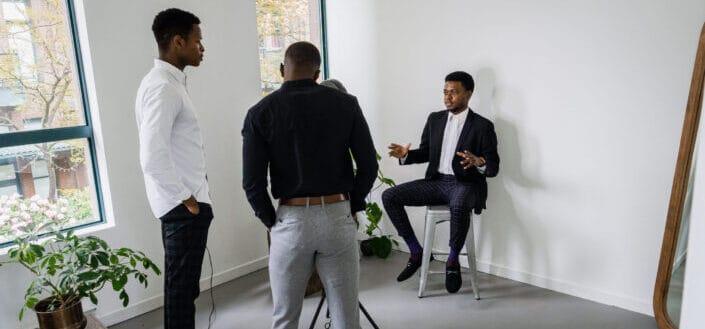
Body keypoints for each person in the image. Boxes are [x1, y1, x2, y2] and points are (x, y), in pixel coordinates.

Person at [242, 41, 377, 329]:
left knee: (285, 318)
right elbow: (368, 166)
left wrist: (272, 221)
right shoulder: (346, 104)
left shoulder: (260, 112)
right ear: (318, 74)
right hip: (337, 214)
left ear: (282, 69)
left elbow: (252, 182)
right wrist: (352, 205)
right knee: (346, 318)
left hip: (290, 219)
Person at [383, 71, 499, 293]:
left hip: (465, 184)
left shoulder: (482, 125)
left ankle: (453, 261)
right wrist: (405, 155)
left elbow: (493, 166)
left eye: (453, 92)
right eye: (445, 92)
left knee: (459, 204)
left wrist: (478, 161)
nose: (447, 97)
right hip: (436, 182)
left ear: (468, 94)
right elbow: (426, 153)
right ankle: (416, 252)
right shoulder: (435, 119)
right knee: (389, 196)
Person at [135, 8, 212, 329]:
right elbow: (152, 155)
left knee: (184, 290)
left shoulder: (168, 83)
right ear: (178, 42)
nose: (202, 48)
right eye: (198, 41)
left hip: (185, 205)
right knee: (181, 293)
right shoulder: (163, 88)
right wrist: (187, 199)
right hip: (182, 208)